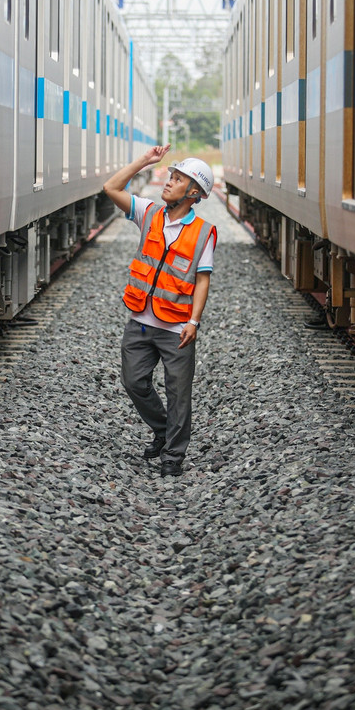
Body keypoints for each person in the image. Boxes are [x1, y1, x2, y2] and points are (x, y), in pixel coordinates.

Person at [102, 144, 217, 477]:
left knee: (179, 393)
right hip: (140, 322)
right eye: (172, 175)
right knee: (133, 381)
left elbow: (202, 280)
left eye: (178, 179)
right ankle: (164, 430)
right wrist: (144, 161)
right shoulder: (148, 213)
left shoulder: (202, 233)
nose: (169, 181)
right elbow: (111, 188)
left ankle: (173, 456)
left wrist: (194, 322)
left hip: (177, 328)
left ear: (193, 193)